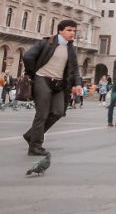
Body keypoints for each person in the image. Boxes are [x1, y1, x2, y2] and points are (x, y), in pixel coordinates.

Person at [21, 20, 83, 156]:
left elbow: (74, 69)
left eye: (74, 31)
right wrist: (34, 73)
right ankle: (35, 147)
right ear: (60, 31)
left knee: (58, 112)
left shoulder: (71, 48)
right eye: (69, 30)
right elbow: (27, 56)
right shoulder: (46, 42)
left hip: (59, 84)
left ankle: (31, 135)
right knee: (42, 115)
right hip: (42, 79)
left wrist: (78, 84)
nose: (72, 33)